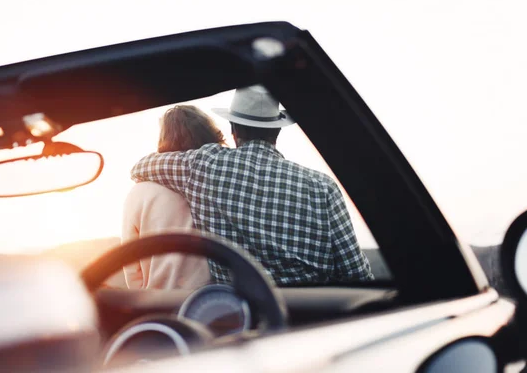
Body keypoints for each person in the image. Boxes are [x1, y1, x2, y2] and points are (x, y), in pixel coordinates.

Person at [131, 85, 373, 285]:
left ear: (233, 130)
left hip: (249, 320)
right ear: (277, 129)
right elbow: (356, 273)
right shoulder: (323, 186)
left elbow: (141, 166)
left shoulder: (204, 165)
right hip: (319, 319)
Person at [122, 105, 226, 289]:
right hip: (216, 303)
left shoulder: (138, 193)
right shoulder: (221, 182)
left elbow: (132, 268)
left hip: (161, 305)